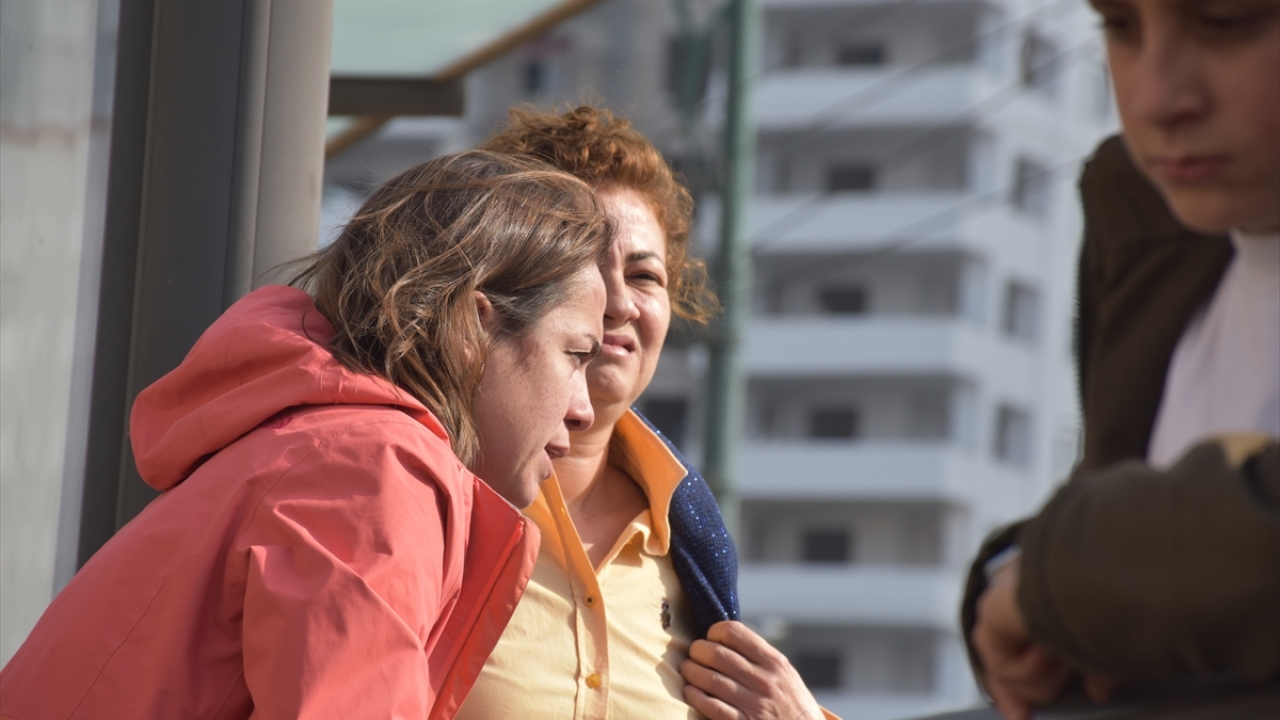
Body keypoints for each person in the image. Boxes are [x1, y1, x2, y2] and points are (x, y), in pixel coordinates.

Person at [0, 150, 612, 719]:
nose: (584, 410)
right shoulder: (374, 470)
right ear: (472, 328)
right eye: (576, 354)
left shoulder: (324, 440)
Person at [458, 106, 832, 720]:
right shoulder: (430, 494)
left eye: (644, 275)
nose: (618, 303)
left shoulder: (693, 547)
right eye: (582, 264)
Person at [963, 1, 1280, 718]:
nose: (1156, 97)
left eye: (1227, 21)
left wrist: (1055, 584)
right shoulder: (1148, 233)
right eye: (1121, 26)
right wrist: (1019, 589)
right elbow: (1107, 512)